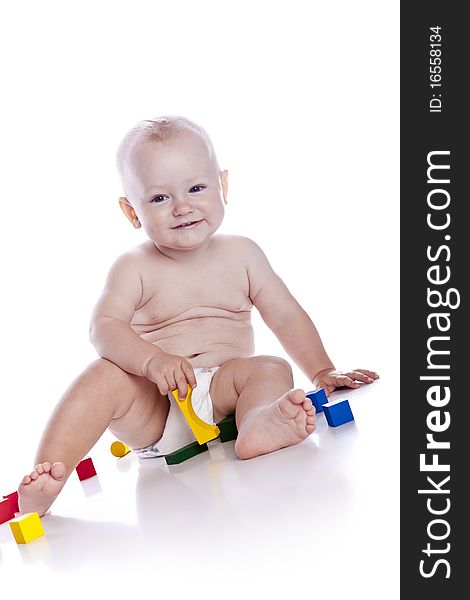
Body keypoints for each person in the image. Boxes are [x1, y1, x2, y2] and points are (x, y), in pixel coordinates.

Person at [18, 116, 378, 517]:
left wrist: (322, 371)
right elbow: (103, 328)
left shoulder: (243, 254)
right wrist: (151, 361)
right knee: (101, 377)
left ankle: (259, 424)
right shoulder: (132, 268)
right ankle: (49, 477)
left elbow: (286, 316)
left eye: (196, 188)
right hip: (159, 407)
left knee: (269, 367)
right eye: (158, 198)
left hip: (228, 394)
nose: (182, 207)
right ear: (131, 211)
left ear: (222, 186)